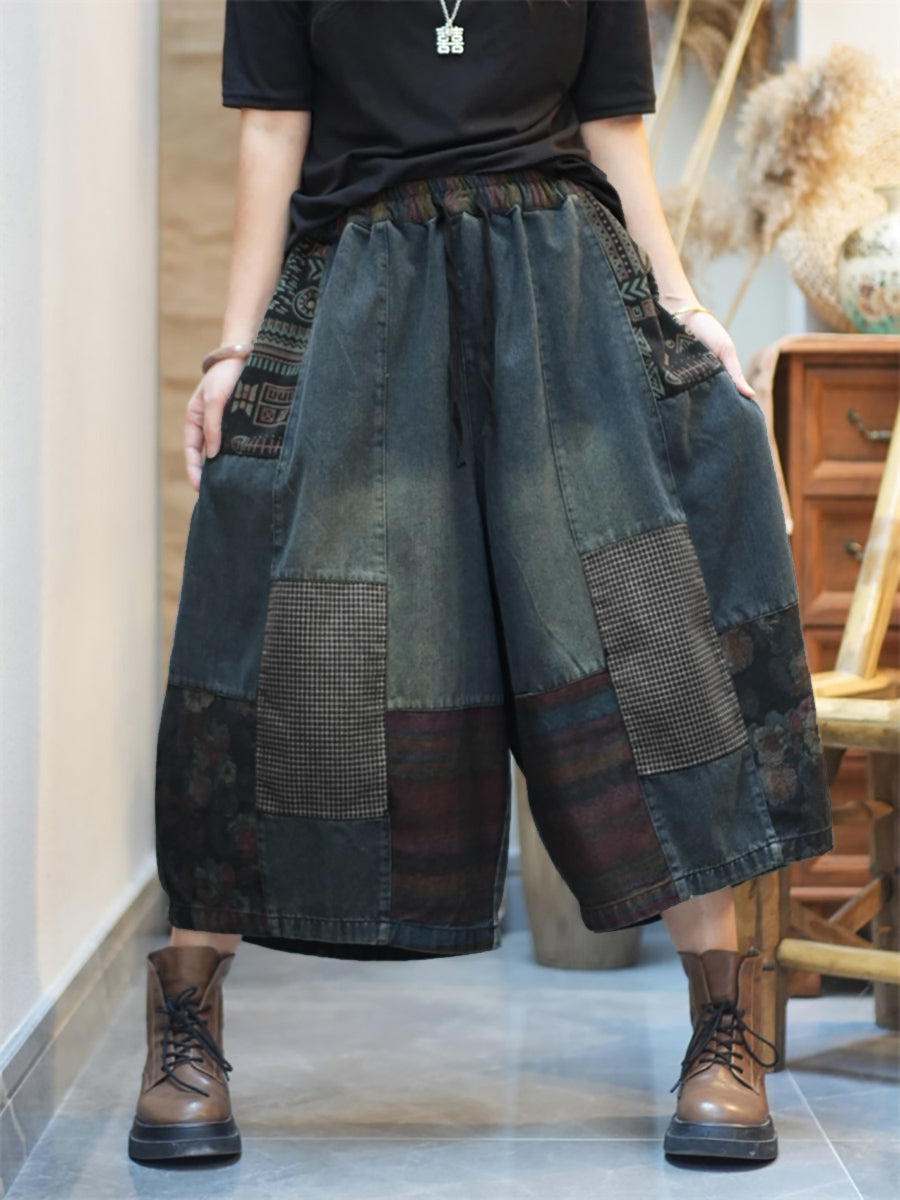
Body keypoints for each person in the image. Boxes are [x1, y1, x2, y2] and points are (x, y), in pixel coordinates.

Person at [130, 0, 832, 1169]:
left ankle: (721, 1027)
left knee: (647, 627)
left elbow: (612, 131)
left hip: (562, 297)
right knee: (289, 630)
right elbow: (273, 132)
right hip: (362, 293)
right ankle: (186, 1020)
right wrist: (234, 350)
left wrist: (684, 305)